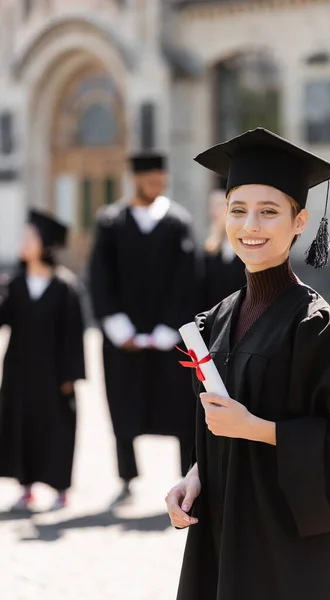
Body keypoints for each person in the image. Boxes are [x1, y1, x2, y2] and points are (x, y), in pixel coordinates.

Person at [165, 128, 330, 600]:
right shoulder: (216, 320)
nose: (250, 226)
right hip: (224, 533)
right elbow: (216, 427)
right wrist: (195, 475)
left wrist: (260, 429)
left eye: (269, 212)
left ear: (300, 220)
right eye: (238, 210)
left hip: (290, 548)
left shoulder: (322, 331)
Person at [89, 152, 198, 508]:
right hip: (126, 340)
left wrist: (170, 329)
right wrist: (119, 328)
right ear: (136, 180)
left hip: (169, 338)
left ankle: (188, 474)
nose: (158, 186)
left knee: (180, 409)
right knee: (123, 407)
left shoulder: (177, 222)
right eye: (152, 181)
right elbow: (99, 278)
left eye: (161, 181)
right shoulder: (110, 222)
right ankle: (126, 476)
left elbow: (188, 279)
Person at [0, 210, 85, 511]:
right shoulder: (15, 284)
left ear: (45, 244)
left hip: (54, 374)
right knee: (22, 425)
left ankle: (61, 487)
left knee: (57, 428)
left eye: (30, 237)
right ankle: (26, 486)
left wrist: (70, 375)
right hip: (19, 371)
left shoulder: (64, 287)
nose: (23, 243)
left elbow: (75, 334)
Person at [203, 179, 246, 310]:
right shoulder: (210, 254)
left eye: (218, 206)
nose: (212, 213)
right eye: (211, 207)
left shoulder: (250, 252)